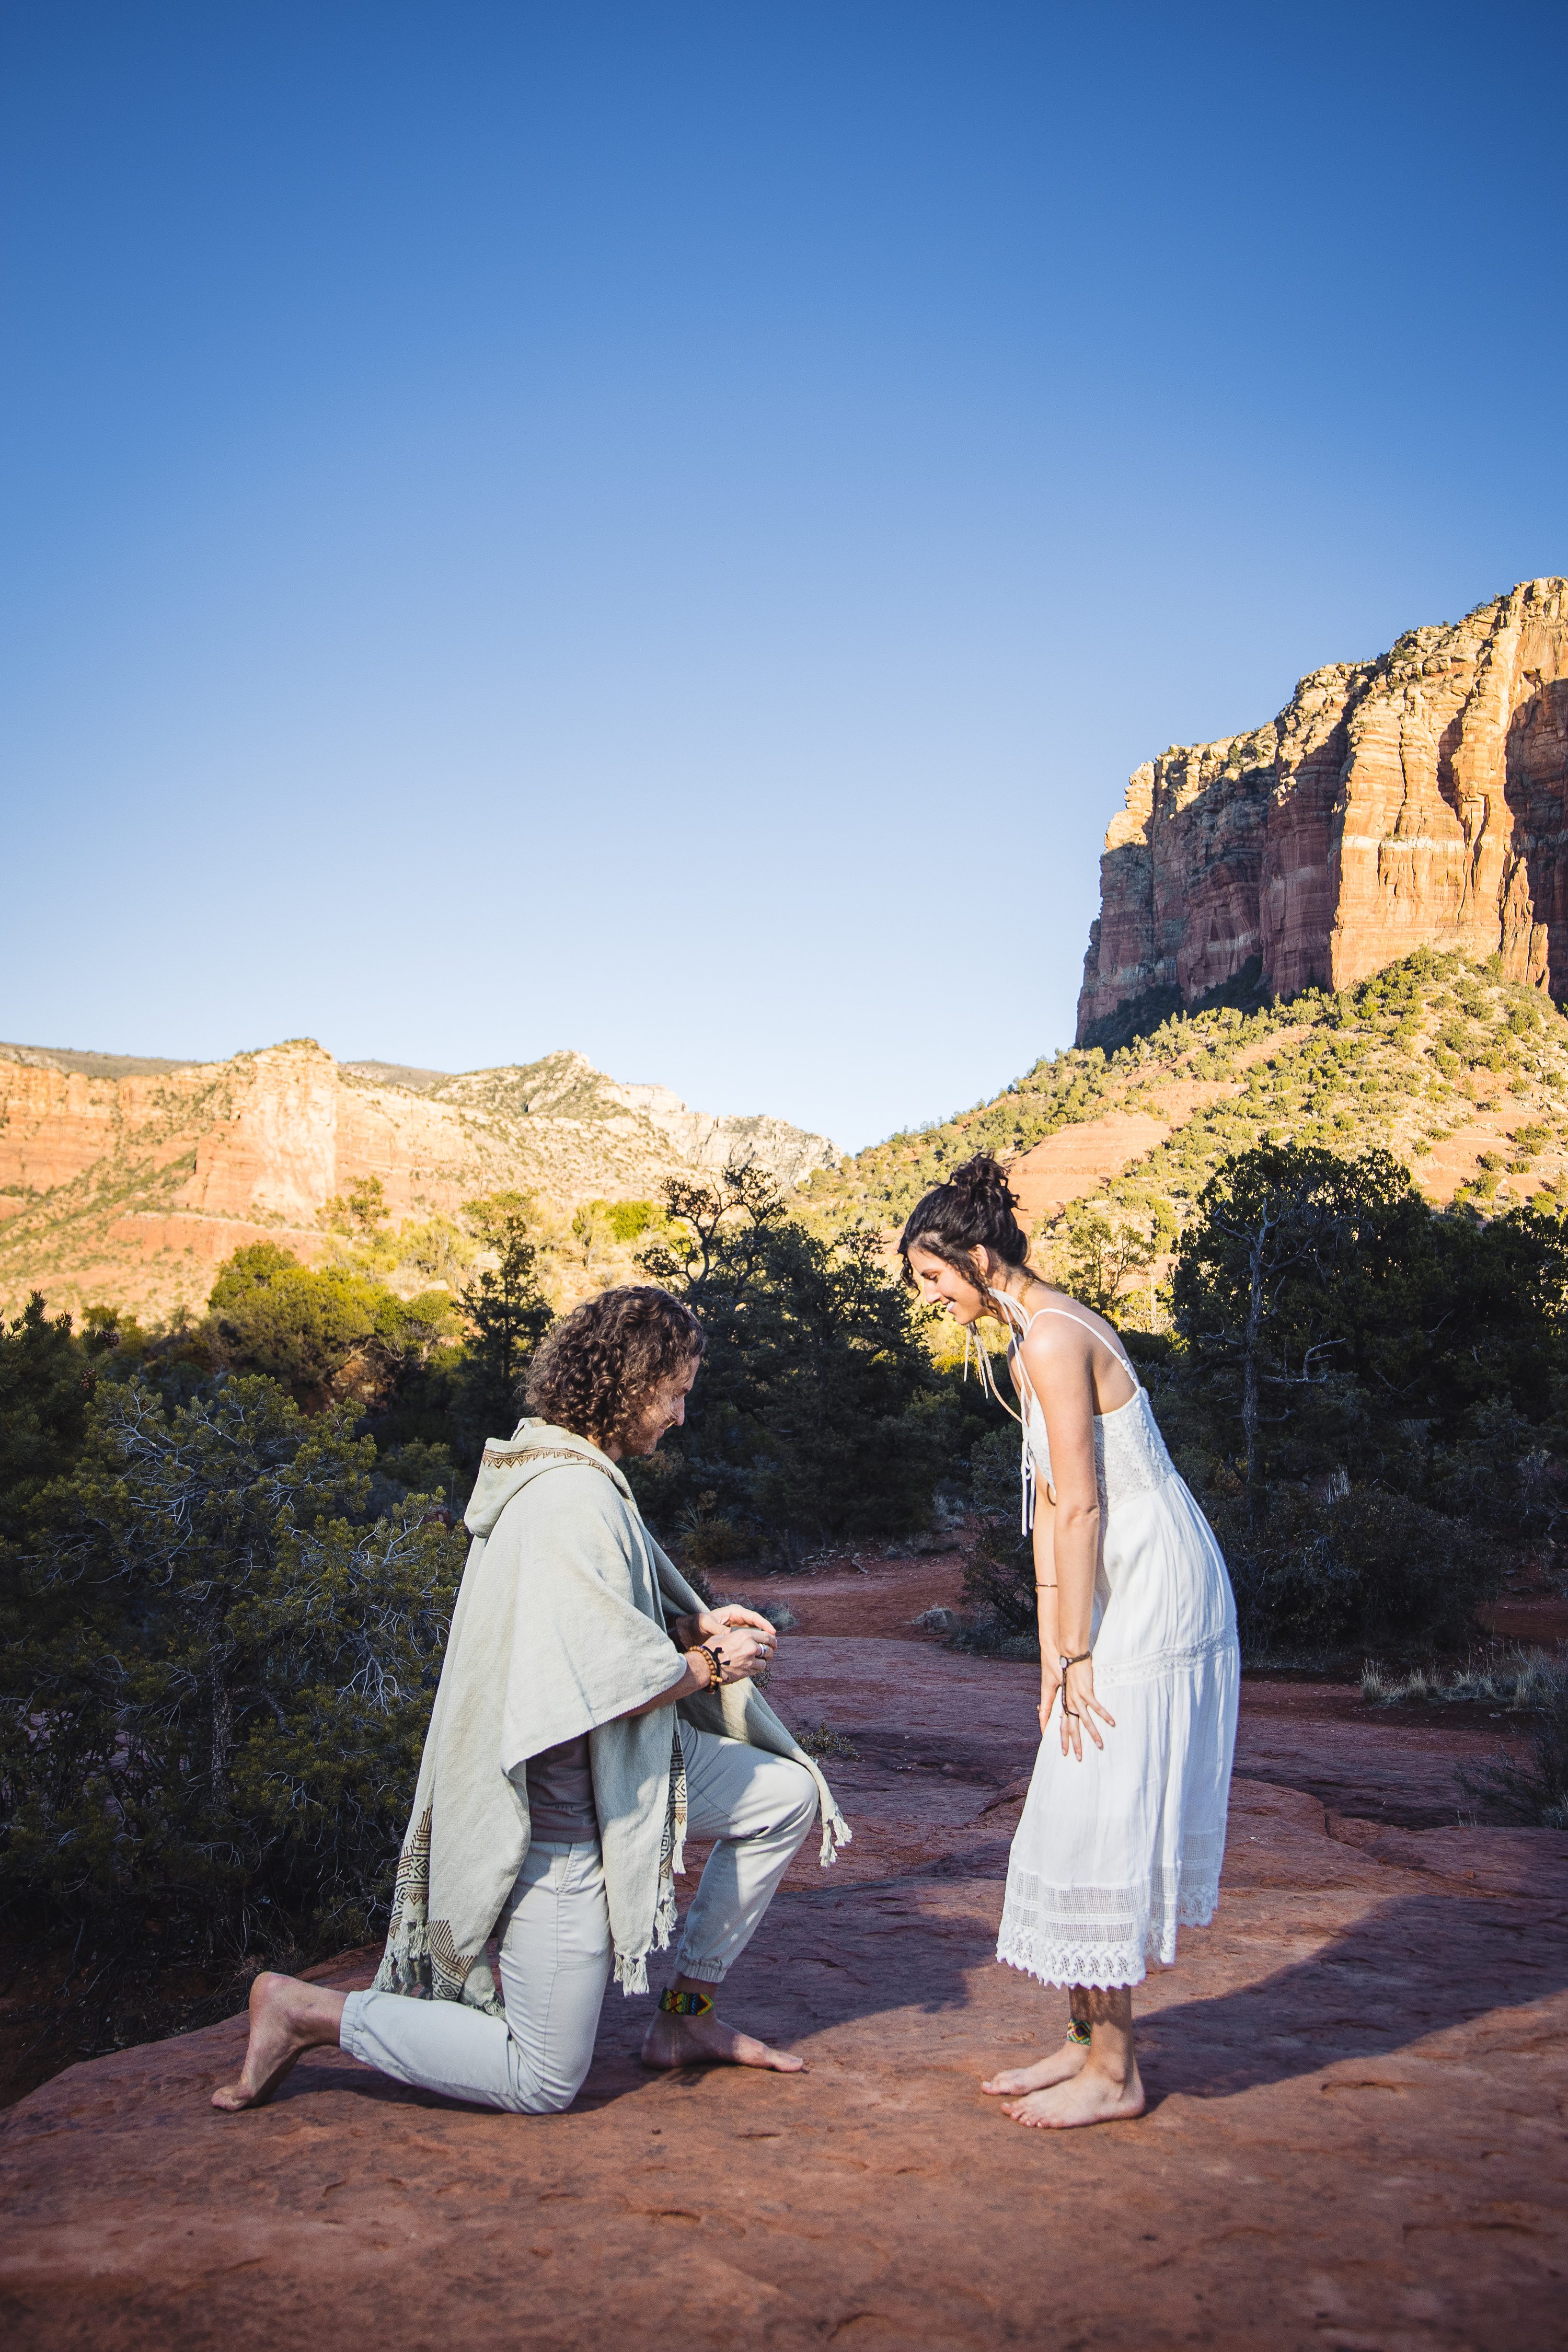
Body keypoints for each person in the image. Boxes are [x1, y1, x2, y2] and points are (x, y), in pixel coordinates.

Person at [214, 1284, 848, 2117]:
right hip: (564, 1810)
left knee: (785, 1796)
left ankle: (687, 2015)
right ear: (628, 1384)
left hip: (628, 1765)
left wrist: (691, 1616)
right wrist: (712, 1664)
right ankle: (310, 2013)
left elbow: (595, 1606)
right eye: (676, 1392)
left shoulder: (565, 1466)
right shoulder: (569, 1496)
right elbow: (601, 1677)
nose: (682, 1415)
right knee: (542, 2080)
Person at [901, 1157, 1238, 2129]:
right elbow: (1049, 1509)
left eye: (932, 1277)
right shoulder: (1028, 1342)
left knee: (1104, 1799)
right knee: (1074, 1780)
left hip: (1155, 1580)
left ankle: (1118, 2073)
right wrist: (1054, 1652)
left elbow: (1085, 1503)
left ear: (974, 1257)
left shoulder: (1051, 1337)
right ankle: (1085, 2040)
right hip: (1111, 1582)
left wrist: (1083, 1650)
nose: (931, 1298)